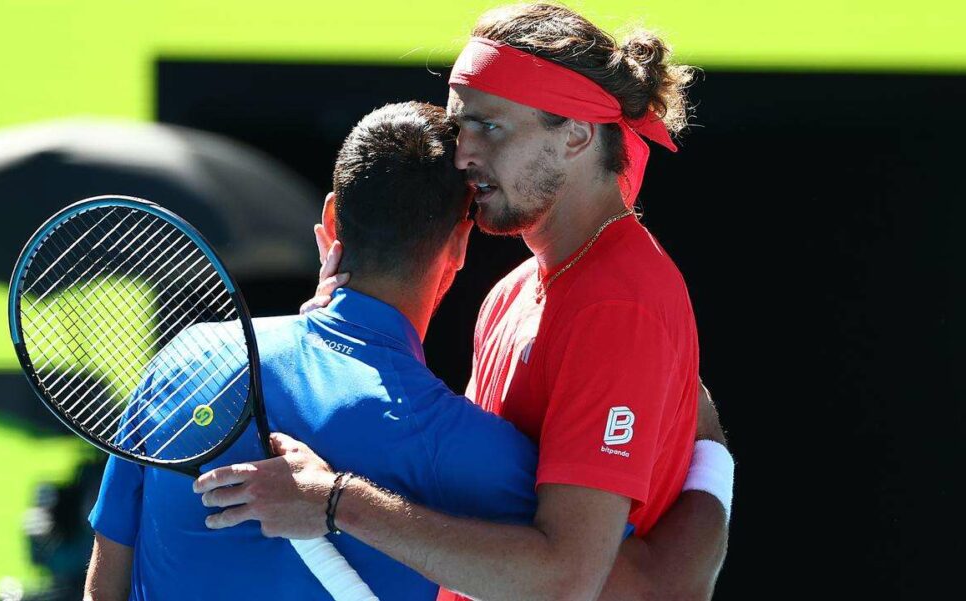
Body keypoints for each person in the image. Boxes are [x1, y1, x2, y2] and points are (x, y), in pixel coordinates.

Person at [87, 102, 728, 601]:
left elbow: (104, 583)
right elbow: (658, 589)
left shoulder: (182, 359)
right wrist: (712, 453)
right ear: (458, 246)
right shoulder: (468, 452)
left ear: (333, 222)